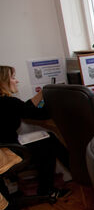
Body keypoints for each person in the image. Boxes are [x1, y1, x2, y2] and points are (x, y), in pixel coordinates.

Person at [0, 65, 70, 199]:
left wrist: (42, 93)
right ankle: (80, 178)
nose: (17, 81)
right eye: (13, 78)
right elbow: (39, 114)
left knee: (47, 140)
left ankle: (47, 188)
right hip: (8, 152)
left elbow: (25, 108)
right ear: (3, 81)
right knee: (49, 142)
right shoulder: (8, 103)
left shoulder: (7, 103)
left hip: (3, 149)